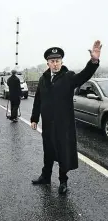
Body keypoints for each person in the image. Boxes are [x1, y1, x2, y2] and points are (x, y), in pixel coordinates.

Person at [30, 40, 102, 194]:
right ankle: (45, 176)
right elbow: (38, 99)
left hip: (64, 124)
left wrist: (94, 61)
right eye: (52, 61)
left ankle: (63, 182)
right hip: (48, 123)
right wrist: (34, 118)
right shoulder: (43, 79)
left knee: (63, 152)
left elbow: (84, 76)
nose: (55, 64)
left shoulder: (68, 77)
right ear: (47, 63)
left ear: (61, 62)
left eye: (57, 61)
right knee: (48, 150)